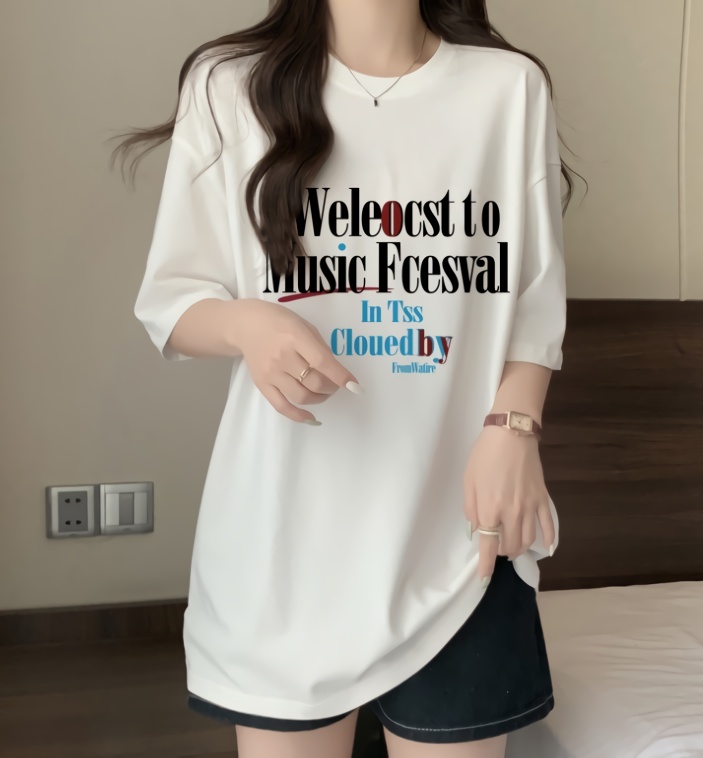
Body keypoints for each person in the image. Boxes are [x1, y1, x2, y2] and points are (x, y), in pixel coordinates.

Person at [113, 0, 578, 755]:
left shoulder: (508, 87)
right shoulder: (228, 84)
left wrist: (514, 429)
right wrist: (248, 324)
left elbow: (533, 293)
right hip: (286, 541)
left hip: (462, 535)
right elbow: (171, 304)